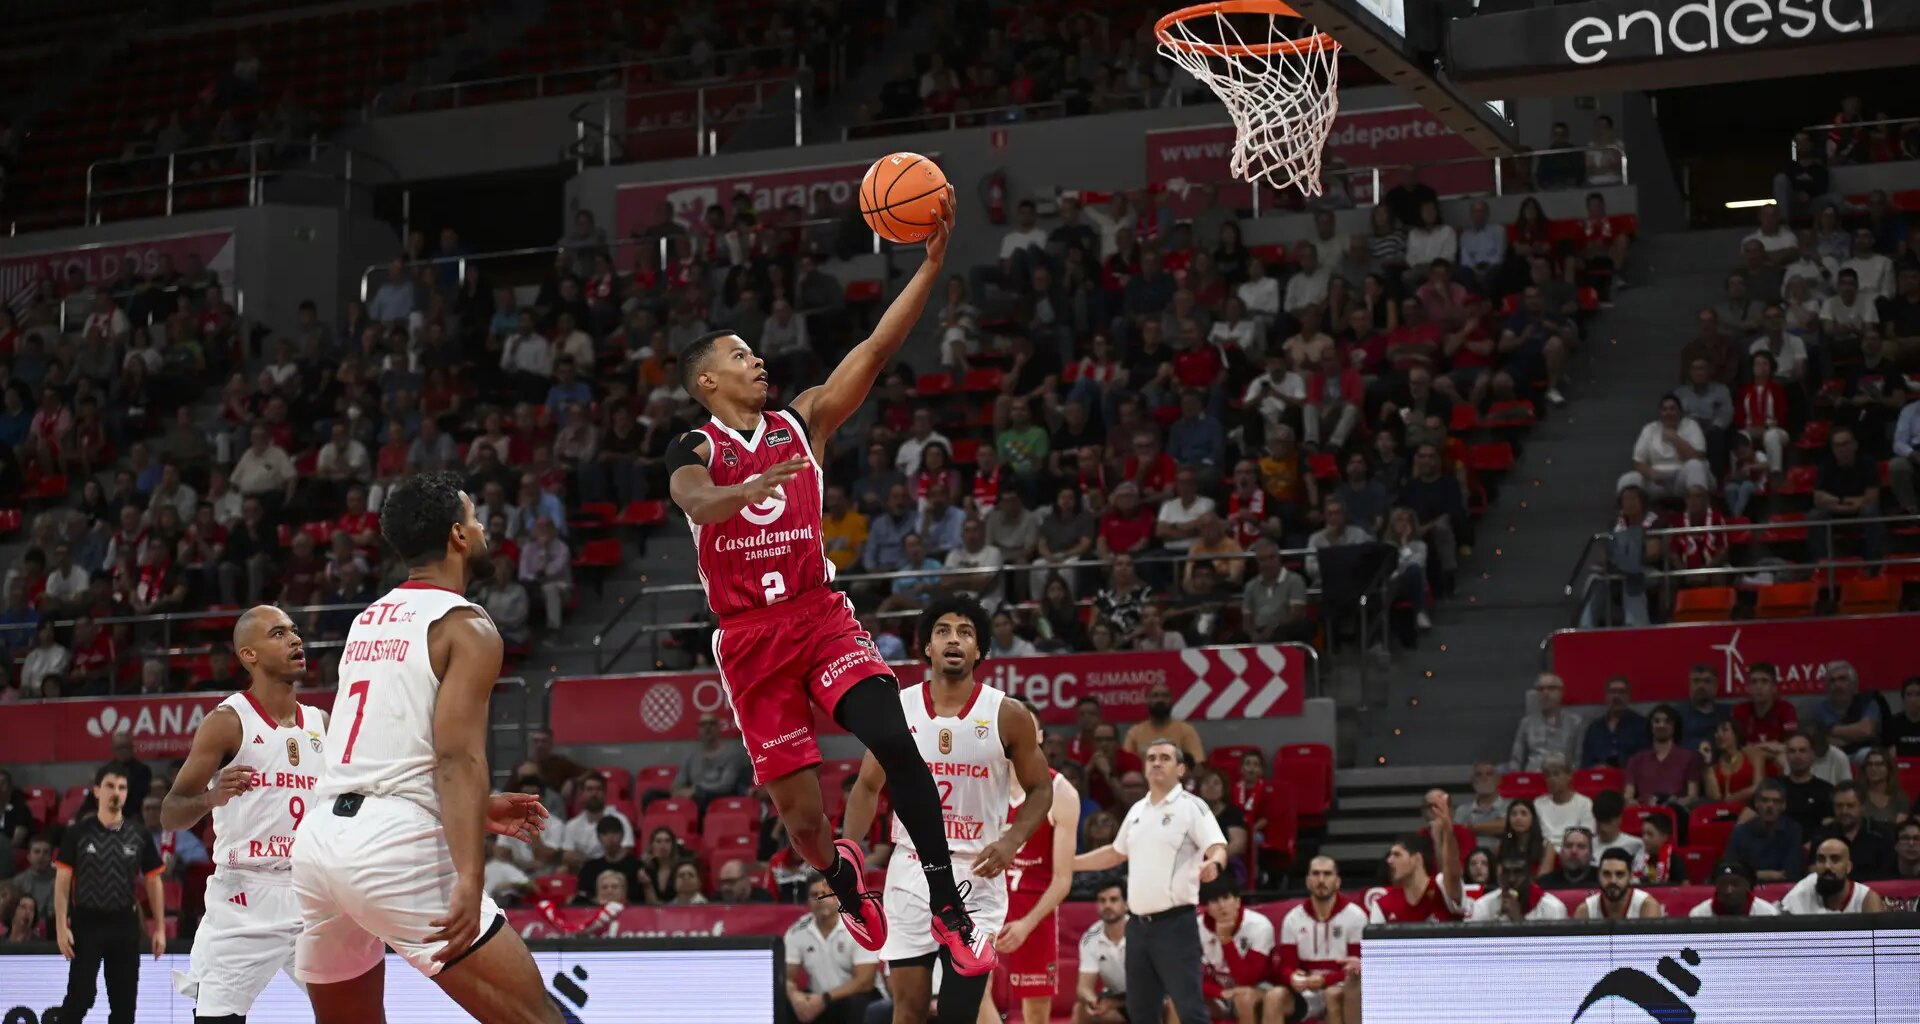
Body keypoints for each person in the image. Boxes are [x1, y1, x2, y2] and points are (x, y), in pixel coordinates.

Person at [667, 197, 993, 973]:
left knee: (892, 737)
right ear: (709, 380)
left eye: (758, 355)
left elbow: (877, 347)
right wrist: (738, 496)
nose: (758, 362)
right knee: (805, 820)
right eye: (741, 356)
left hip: (819, 617)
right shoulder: (696, 445)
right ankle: (842, 876)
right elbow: (691, 497)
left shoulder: (802, 422)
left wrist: (931, 268)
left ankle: (946, 903)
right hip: (750, 640)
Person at [290, 472, 557, 1023]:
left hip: (318, 844)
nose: (483, 527)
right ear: (459, 536)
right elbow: (458, 759)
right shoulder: (467, 626)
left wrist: (478, 810)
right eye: (475, 517)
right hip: (393, 851)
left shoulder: (368, 619)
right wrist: (470, 876)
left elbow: (381, 752)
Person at [840, 596, 1052, 1022]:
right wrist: (848, 858)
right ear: (927, 648)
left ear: (979, 650)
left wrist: (1012, 840)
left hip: (979, 869)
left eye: (965, 632)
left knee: (959, 1011)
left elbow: (1040, 789)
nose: (954, 639)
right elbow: (866, 786)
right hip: (912, 870)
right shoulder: (899, 708)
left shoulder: (1008, 714)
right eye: (943, 631)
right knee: (910, 1009)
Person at [160, 604, 327, 1021]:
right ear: (248, 655)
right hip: (245, 896)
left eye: (294, 631)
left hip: (312, 893)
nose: (295, 640)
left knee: (352, 1012)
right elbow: (170, 812)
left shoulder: (323, 722)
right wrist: (211, 798)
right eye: (278, 634)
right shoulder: (228, 722)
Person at [1072, 737, 1228, 1024]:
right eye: (1151, 758)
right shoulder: (1137, 811)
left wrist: (1214, 863)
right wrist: (1071, 864)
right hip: (1138, 928)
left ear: (1181, 769)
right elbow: (1115, 853)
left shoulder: (1192, 807)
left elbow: (1217, 845)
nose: (1156, 762)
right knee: (1141, 1012)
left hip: (1175, 925)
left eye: (1165, 758)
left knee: (1189, 1009)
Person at [56, 764, 167, 1024]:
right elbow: (62, 883)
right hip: (86, 923)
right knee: (79, 998)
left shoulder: (138, 834)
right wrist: (62, 926)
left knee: (125, 1006)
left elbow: (154, 880)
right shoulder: (77, 833)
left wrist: (160, 928)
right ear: (96, 791)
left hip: (124, 926)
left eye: (122, 787)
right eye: (110, 786)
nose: (116, 792)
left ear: (127, 793)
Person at [997, 709, 1082, 1024]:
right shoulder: (987, 782)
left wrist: (1026, 924)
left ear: (1041, 735)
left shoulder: (1062, 792)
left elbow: (1062, 880)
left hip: (1034, 907)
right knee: (973, 995)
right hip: (989, 899)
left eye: (1027, 728)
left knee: (1035, 1013)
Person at [1265, 857, 1365, 1024]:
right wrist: (1292, 977)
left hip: (1341, 987)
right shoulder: (1293, 918)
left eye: (1327, 874)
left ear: (1337, 881)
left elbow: (1358, 968)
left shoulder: (1355, 916)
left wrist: (1326, 980)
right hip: (1306, 991)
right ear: (1308, 881)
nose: (1321, 880)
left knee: (1332, 994)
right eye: (1316, 874)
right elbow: (1286, 966)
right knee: (1274, 997)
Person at [785, 875, 882, 1024]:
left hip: (857, 996)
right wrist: (795, 998)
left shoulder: (858, 926)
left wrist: (825, 998)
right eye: (814, 895)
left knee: (854, 1004)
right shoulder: (797, 931)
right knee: (786, 1003)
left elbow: (865, 981)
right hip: (818, 997)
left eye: (825, 894)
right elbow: (785, 977)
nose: (820, 899)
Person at [1195, 876, 1273, 1024]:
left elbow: (1246, 980)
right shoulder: (1197, 928)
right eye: (1214, 901)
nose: (1221, 905)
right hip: (1219, 991)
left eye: (1226, 898)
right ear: (1207, 908)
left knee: (1244, 998)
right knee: (1177, 1002)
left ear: (1237, 901)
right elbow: (1190, 977)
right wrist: (1219, 992)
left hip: (1258, 988)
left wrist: (1226, 940)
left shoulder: (1260, 926)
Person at [1813, 783, 1898, 881]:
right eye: (1839, 806)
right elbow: (1813, 871)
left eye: (1850, 806)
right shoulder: (1822, 835)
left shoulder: (1881, 835)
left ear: (1863, 807)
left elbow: (1888, 874)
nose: (1844, 811)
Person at [1779, 838, 1889, 914]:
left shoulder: (1866, 900)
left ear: (1848, 867)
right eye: (1821, 859)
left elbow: (1879, 944)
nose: (1827, 866)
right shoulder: (1805, 888)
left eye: (1835, 859)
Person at [1725, 779, 1803, 882]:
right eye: (1764, 800)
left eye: (1776, 801)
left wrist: (1750, 874)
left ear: (1783, 805)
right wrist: (1761, 874)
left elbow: (1791, 873)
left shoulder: (1793, 831)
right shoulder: (1740, 832)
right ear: (1756, 803)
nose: (1770, 805)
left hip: (1781, 891)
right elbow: (1730, 871)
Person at [1073, 882, 1129, 1024]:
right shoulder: (1090, 938)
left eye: (1114, 900)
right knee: (1081, 1010)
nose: (1107, 905)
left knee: (1170, 1002)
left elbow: (1150, 987)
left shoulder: (1141, 933)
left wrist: (1114, 1003)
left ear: (1126, 905)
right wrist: (1093, 1000)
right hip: (1115, 1000)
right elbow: (1083, 987)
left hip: (1147, 999)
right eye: (1102, 901)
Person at [1508, 673, 1583, 771]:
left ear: (1561, 692)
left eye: (1551, 688)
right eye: (1541, 689)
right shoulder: (1526, 723)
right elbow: (1516, 759)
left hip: (1562, 778)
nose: (1546, 693)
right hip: (1534, 777)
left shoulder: (1575, 722)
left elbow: (1578, 759)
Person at [1469, 851, 1569, 922]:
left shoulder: (1553, 908)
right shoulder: (1482, 906)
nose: (1511, 879)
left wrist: (1518, 920)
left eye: (1518, 872)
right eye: (1506, 873)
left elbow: (1550, 951)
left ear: (1530, 875)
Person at [1122, 681, 1205, 764]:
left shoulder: (1186, 730)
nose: (1160, 699)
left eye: (1165, 696)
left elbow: (1198, 763)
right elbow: (1126, 765)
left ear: (1172, 701)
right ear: (1148, 700)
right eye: (1155, 696)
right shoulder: (1135, 732)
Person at [1572, 849, 1663, 919]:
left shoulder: (1646, 906)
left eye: (1620, 874)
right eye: (1607, 874)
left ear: (1631, 876)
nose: (1613, 881)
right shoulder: (1586, 910)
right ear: (1598, 875)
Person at [1581, 676, 1649, 768]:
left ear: (1628, 696)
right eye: (1612, 692)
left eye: (1622, 692)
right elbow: (1586, 763)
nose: (1617, 696)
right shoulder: (1594, 728)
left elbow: (1647, 762)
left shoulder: (1642, 725)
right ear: (1606, 696)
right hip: (1600, 779)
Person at [1534, 755, 1595, 853]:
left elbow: (1587, 835)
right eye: (1548, 775)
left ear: (1569, 776)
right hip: (1543, 852)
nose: (1551, 779)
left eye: (1556, 774)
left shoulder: (1584, 803)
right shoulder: (1539, 803)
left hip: (1574, 851)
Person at [1688, 860, 1780, 917]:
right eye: (1723, 884)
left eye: (1735, 884)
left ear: (1748, 885)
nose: (1728, 890)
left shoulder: (1768, 914)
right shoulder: (1698, 915)